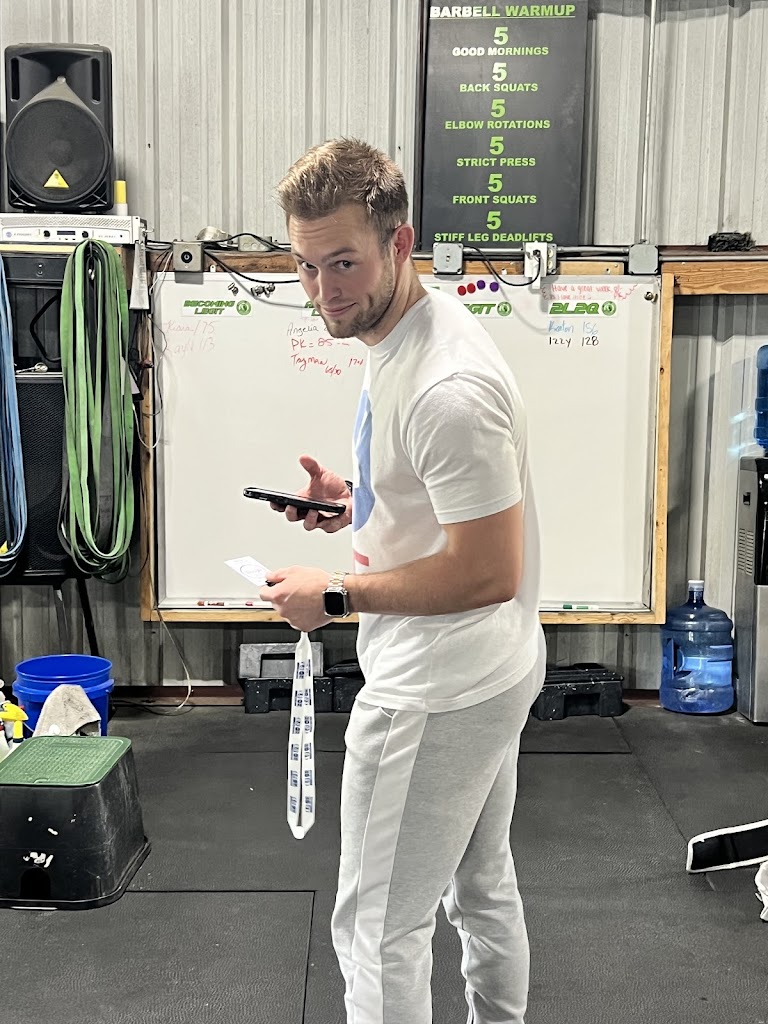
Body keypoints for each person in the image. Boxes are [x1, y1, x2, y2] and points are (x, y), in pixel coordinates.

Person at [260, 138, 545, 1024]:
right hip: (490, 667)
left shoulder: (446, 388)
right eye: (306, 266)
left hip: (436, 688)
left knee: (376, 930)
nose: (323, 291)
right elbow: (438, 508)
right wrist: (355, 506)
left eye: (343, 263)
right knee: (480, 882)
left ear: (399, 242)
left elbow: (487, 570)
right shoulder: (406, 331)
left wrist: (334, 595)